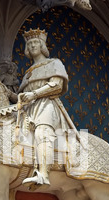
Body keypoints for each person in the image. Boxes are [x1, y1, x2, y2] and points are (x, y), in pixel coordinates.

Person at [17, 28, 78, 189]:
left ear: (42, 45)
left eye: (35, 42)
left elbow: (57, 85)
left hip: (46, 106)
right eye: (29, 44)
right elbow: (22, 95)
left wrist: (34, 94)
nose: (32, 46)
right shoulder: (28, 73)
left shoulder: (54, 63)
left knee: (42, 133)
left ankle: (43, 174)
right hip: (28, 110)